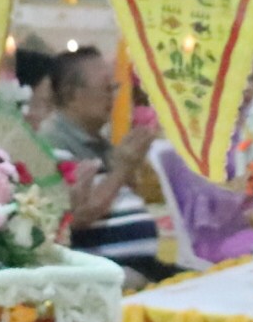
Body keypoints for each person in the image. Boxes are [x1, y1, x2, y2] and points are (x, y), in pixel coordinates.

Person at [40, 49, 166, 278]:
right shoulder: (51, 141)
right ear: (71, 94)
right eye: (106, 88)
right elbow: (78, 216)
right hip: (102, 273)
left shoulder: (98, 140)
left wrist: (131, 167)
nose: (113, 97)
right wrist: (123, 168)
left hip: (136, 262)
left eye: (114, 88)